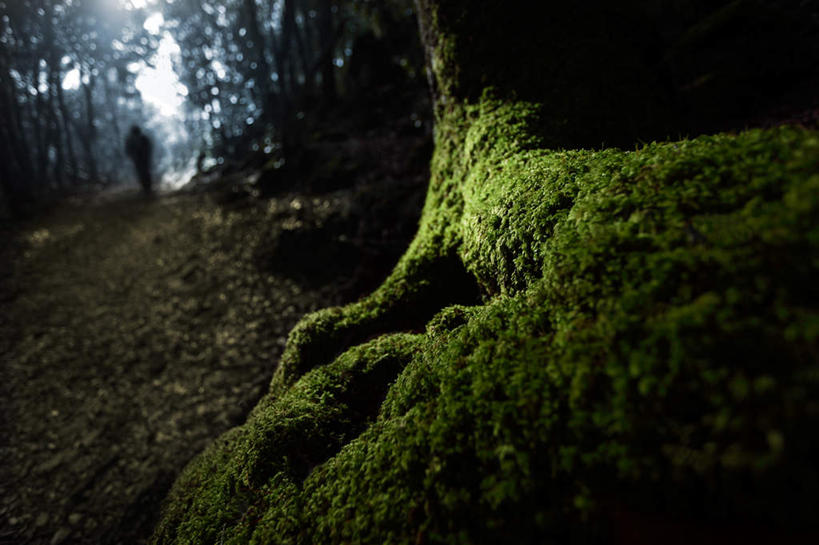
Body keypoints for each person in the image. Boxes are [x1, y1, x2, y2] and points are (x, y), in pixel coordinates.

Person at [125, 125, 153, 195]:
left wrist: (145, 155)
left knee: (144, 173)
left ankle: (147, 189)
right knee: (142, 174)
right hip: (138, 160)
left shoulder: (143, 138)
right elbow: (128, 150)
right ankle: (146, 188)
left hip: (143, 159)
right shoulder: (132, 140)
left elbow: (148, 148)